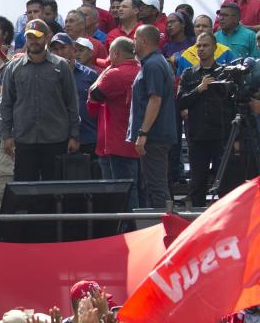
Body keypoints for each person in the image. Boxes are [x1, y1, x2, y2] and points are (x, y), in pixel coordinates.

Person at [0, 19, 80, 182]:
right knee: (25, 191)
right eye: (30, 37)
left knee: (55, 191)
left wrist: (74, 135)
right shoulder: (13, 68)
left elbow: (72, 103)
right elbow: (6, 103)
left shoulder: (61, 66)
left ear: (48, 37)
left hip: (56, 139)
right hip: (24, 139)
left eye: (37, 37)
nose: (33, 41)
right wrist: (6, 135)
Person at [177, 32, 238, 206]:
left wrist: (236, 138)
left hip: (222, 137)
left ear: (215, 48)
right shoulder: (189, 73)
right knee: (197, 185)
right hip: (198, 138)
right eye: (199, 46)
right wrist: (199, 89)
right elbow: (180, 102)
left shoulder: (225, 73)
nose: (202, 49)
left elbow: (234, 106)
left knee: (225, 185)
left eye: (206, 45)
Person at [88, 37, 142, 212]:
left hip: (115, 142)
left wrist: (106, 70)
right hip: (136, 139)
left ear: (116, 53)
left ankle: (123, 228)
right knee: (135, 188)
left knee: (119, 190)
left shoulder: (115, 73)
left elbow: (93, 97)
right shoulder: (142, 69)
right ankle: (133, 226)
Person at [129, 25, 178, 209]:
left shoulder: (153, 64)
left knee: (156, 187)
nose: (133, 42)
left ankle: (164, 232)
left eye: (135, 38)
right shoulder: (154, 62)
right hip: (155, 135)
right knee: (154, 185)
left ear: (143, 41)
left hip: (154, 136)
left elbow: (155, 99)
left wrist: (143, 133)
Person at [49, 34, 99, 158]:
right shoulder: (46, 75)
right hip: (56, 138)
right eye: (55, 49)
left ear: (73, 49)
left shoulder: (90, 75)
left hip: (88, 137)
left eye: (63, 48)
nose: (59, 52)